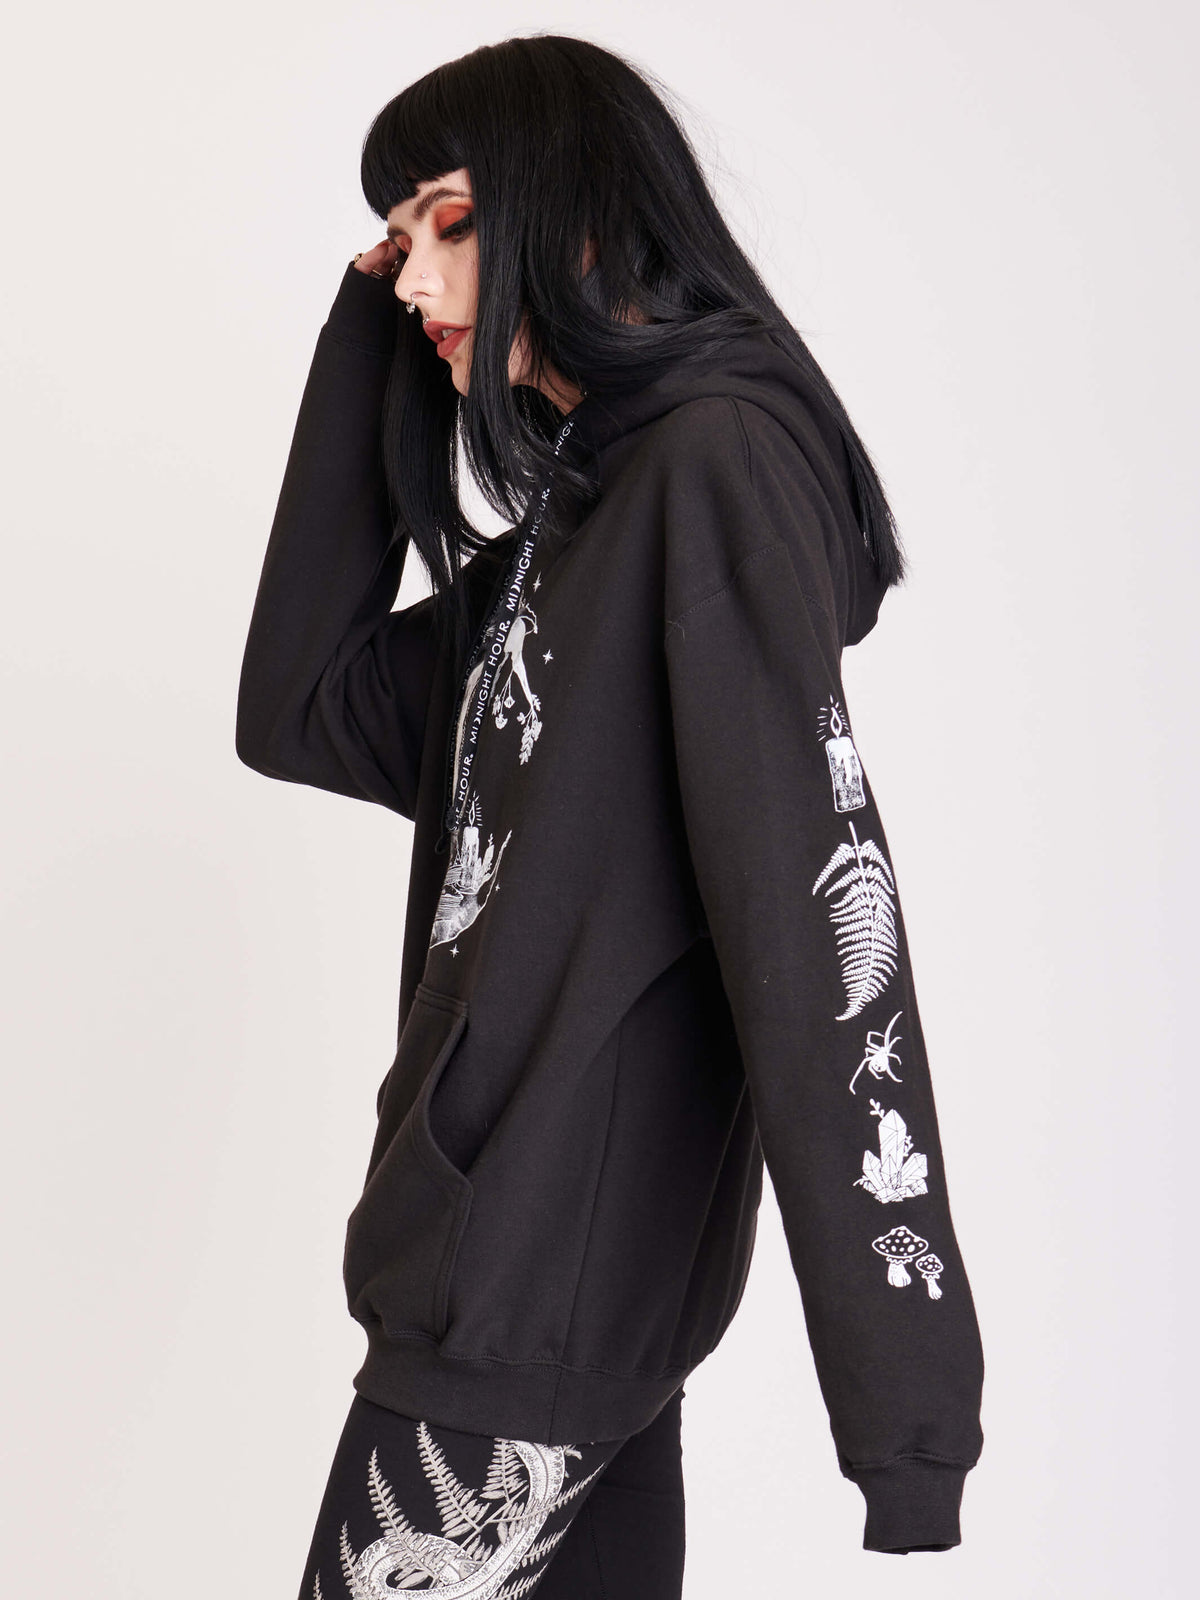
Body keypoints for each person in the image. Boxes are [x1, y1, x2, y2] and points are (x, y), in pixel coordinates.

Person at [235, 33, 985, 1597]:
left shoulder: (710, 475)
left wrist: (905, 1414)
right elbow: (299, 707)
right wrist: (364, 341)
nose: (415, 277)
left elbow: (814, 910)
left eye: (448, 222)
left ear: (574, 215)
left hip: (526, 1306)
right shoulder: (566, 544)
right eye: (397, 240)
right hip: (546, 1301)